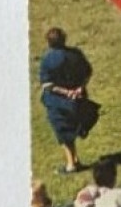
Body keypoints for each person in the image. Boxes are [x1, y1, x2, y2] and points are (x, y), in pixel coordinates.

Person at [38, 27, 96, 175]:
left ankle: (71, 164)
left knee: (63, 132)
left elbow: (48, 84)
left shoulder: (47, 60)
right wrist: (79, 88)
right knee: (71, 129)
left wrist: (66, 92)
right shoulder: (75, 54)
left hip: (58, 102)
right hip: (78, 99)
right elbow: (88, 72)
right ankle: (75, 160)